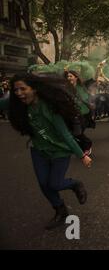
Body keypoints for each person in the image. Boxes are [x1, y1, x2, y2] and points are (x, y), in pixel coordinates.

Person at [1, 74, 92, 230]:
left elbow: (65, 134)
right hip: (38, 150)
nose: (18, 93)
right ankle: (60, 210)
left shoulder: (50, 108)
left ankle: (75, 184)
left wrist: (82, 155)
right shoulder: (20, 105)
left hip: (60, 151)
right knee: (44, 184)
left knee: (55, 184)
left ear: (34, 89)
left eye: (23, 89)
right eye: (15, 90)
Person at [64, 70, 94, 155]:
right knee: (74, 133)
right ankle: (84, 147)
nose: (69, 78)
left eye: (71, 76)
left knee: (77, 133)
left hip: (84, 115)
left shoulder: (82, 87)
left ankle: (87, 145)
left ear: (76, 77)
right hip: (73, 115)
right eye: (68, 76)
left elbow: (93, 80)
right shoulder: (67, 88)